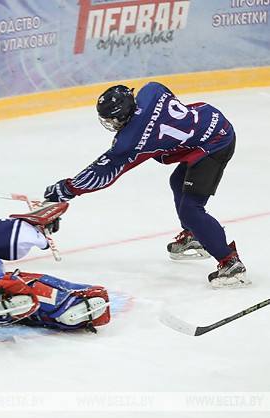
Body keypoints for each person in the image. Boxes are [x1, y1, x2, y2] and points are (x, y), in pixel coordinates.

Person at [43, 82, 249, 288]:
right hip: (209, 119)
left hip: (216, 141)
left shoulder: (132, 140)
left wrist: (66, 189)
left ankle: (230, 262)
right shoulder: (151, 90)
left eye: (111, 120)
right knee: (177, 182)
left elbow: (103, 172)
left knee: (191, 210)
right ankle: (194, 235)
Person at [0, 202, 111, 332]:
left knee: (20, 293)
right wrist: (38, 227)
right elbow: (9, 233)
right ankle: (61, 303)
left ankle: (64, 311)